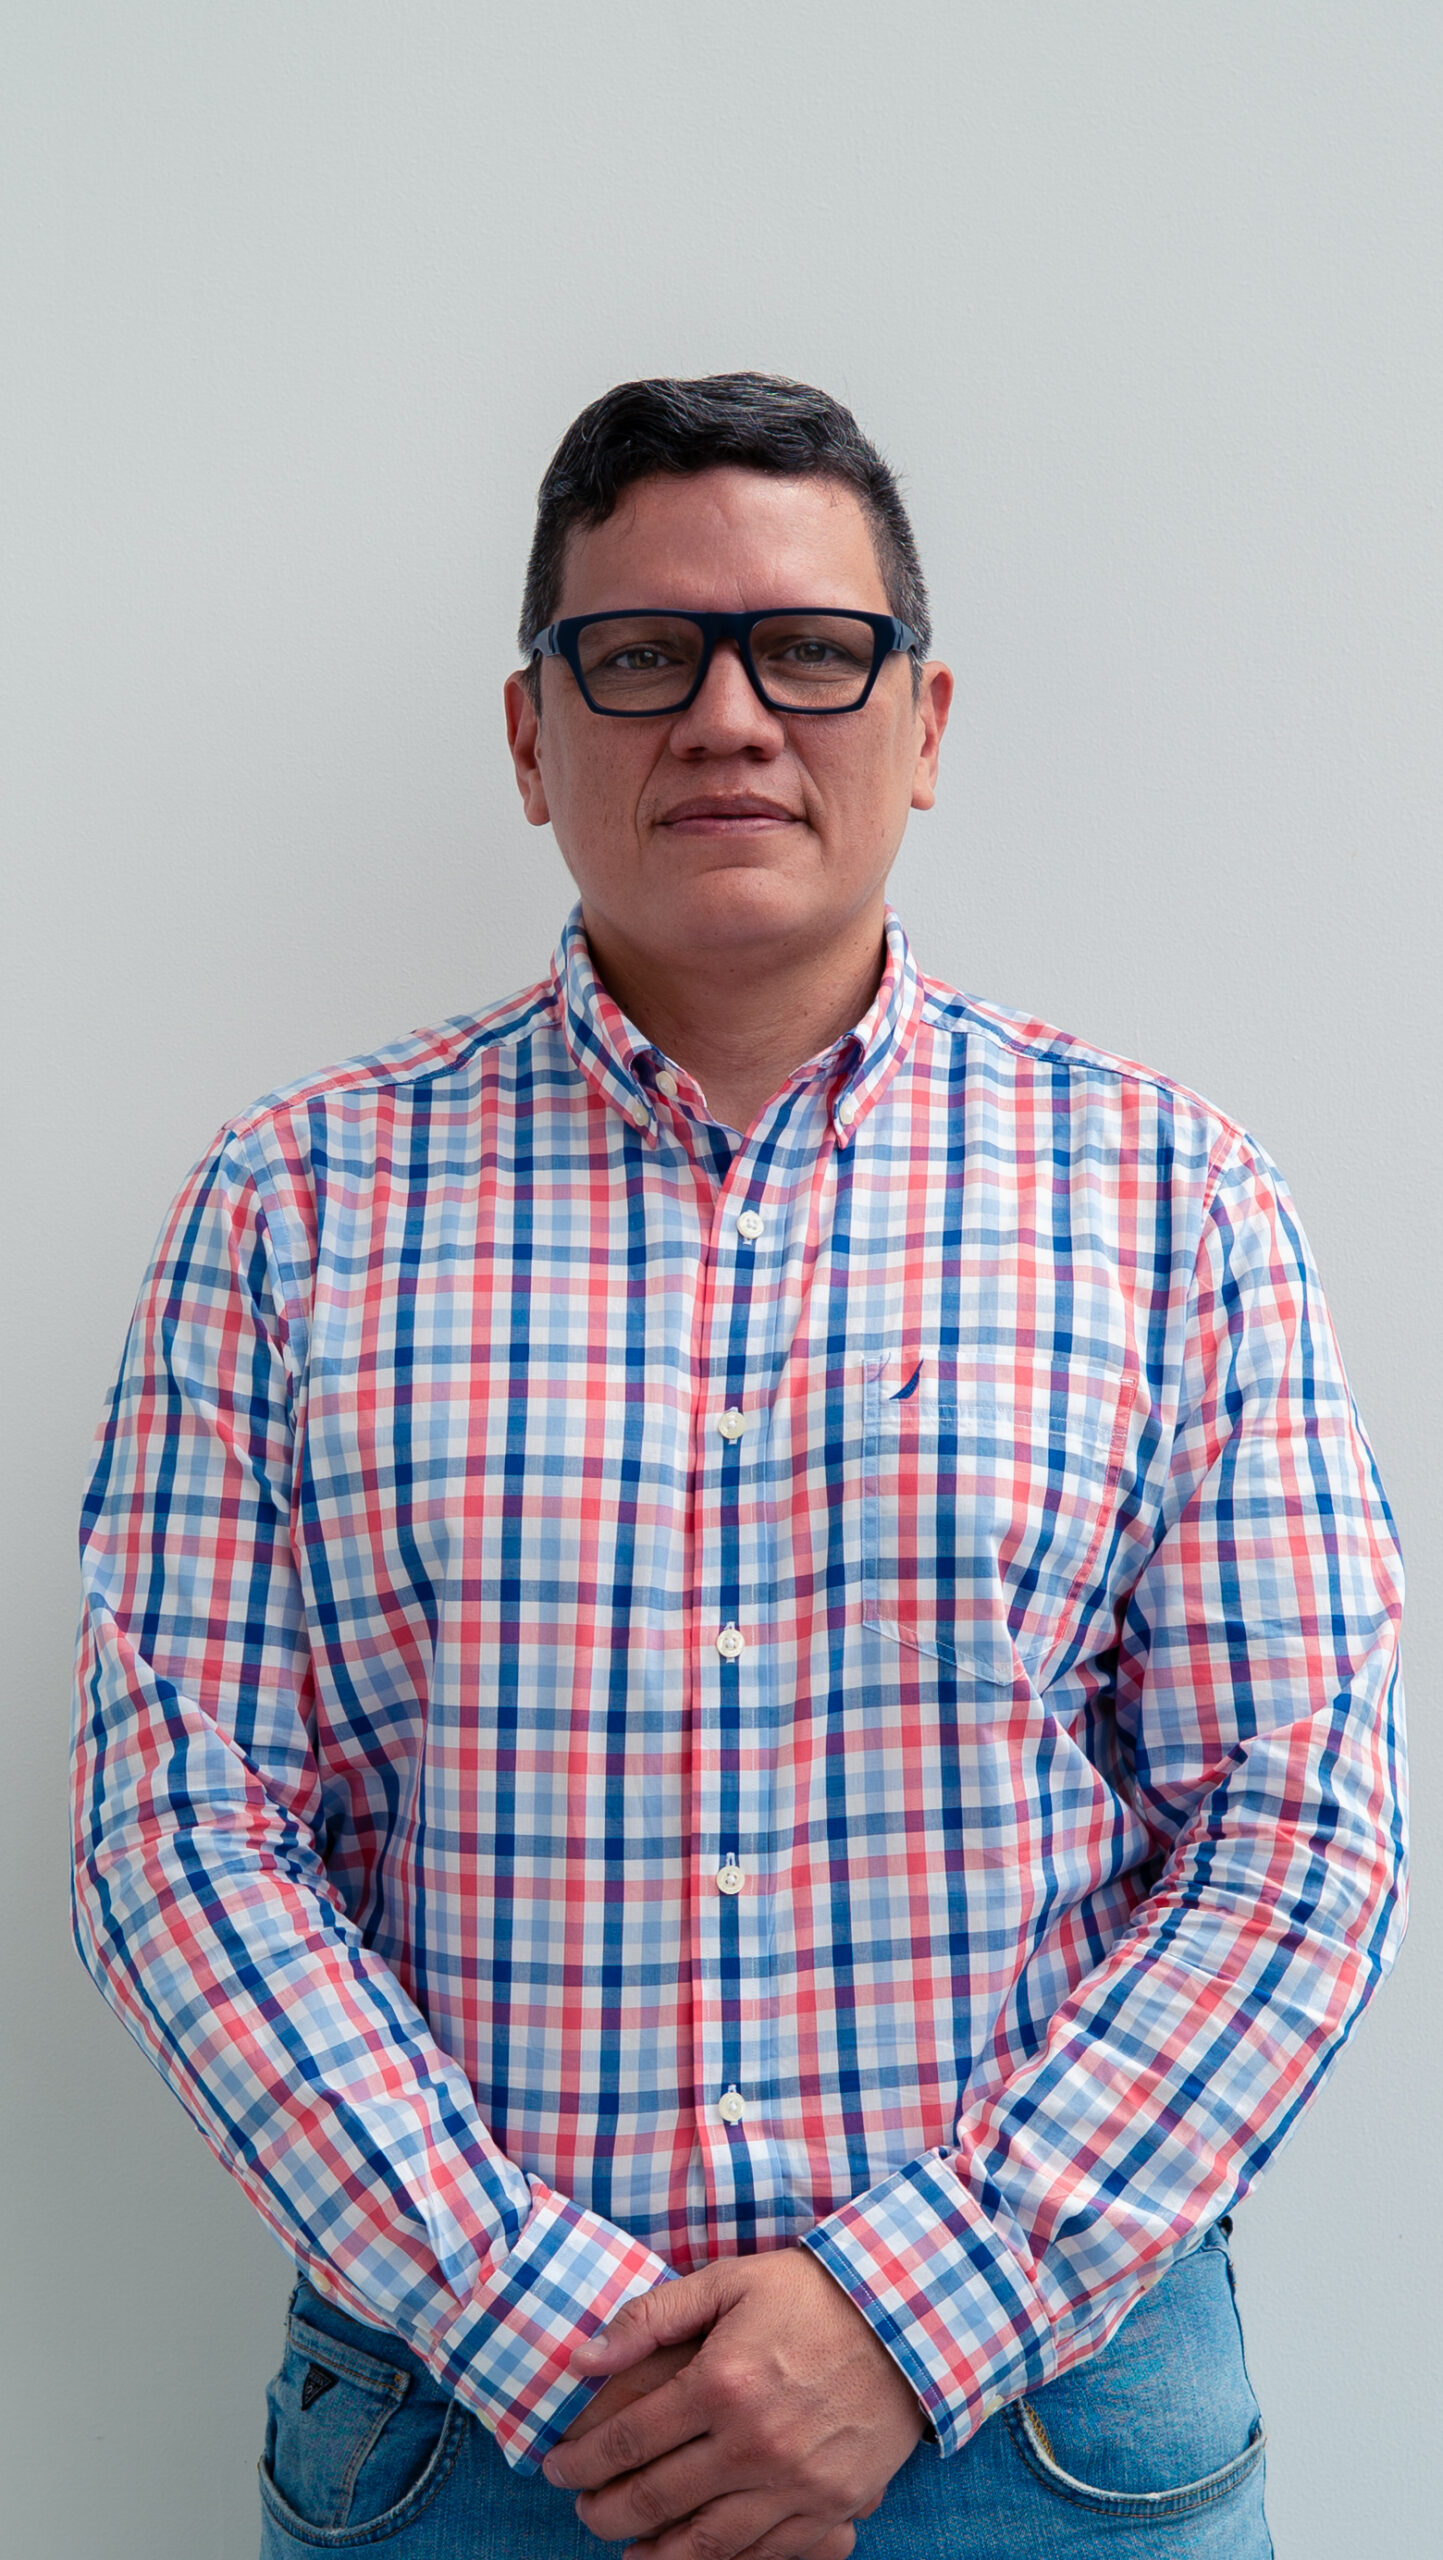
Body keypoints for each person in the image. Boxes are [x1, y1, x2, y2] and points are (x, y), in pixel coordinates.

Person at [72, 373, 1405, 2560]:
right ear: (532, 736)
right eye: (637, 654)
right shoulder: (286, 1212)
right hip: (475, 2445)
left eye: (806, 649)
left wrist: (905, 2319)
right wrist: (541, 2317)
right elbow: (179, 1833)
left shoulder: (1168, 1196)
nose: (725, 716)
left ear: (923, 721)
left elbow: (1296, 1829)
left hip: (1052, 2441)